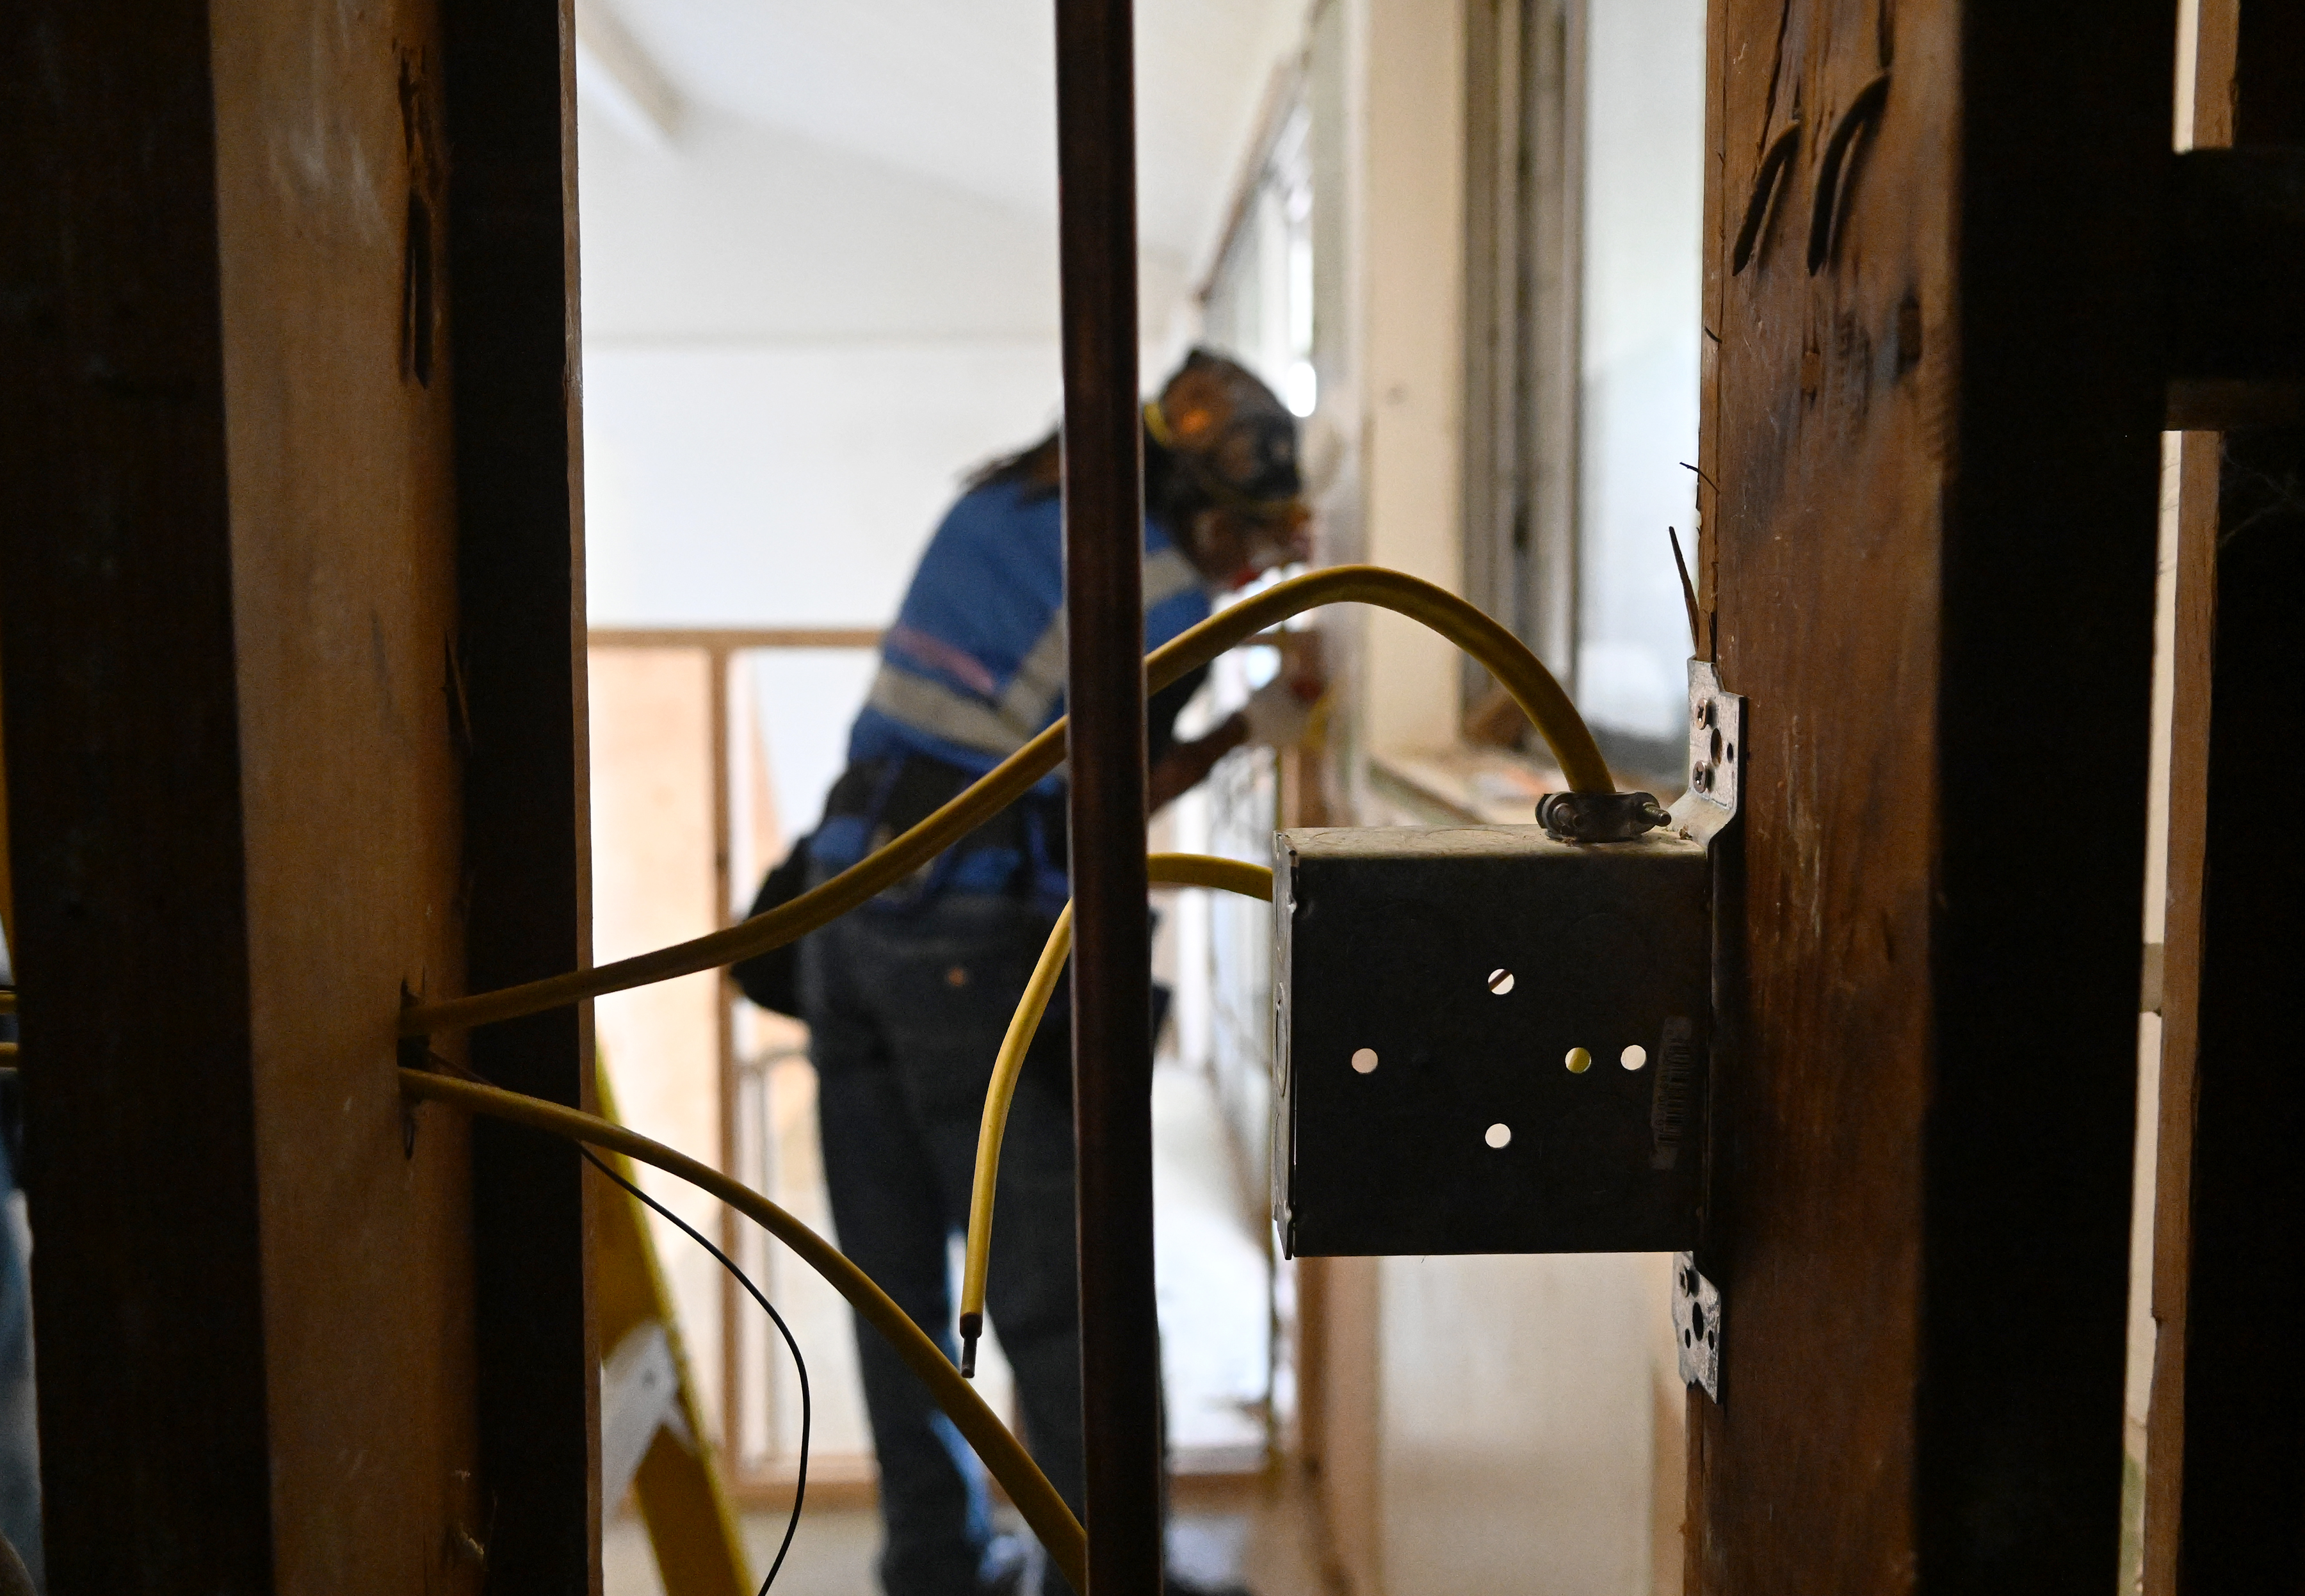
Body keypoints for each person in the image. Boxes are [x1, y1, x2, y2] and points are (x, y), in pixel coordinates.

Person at [795, 350, 1320, 1596]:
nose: (1245, 570)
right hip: (971, 940)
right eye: (1242, 538)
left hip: (841, 906)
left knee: (895, 1290)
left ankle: (936, 1568)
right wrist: (1256, 725)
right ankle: (1108, 1577)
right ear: (1192, 500)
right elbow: (1114, 798)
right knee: (1063, 1293)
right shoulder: (1160, 592)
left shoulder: (1005, 501)